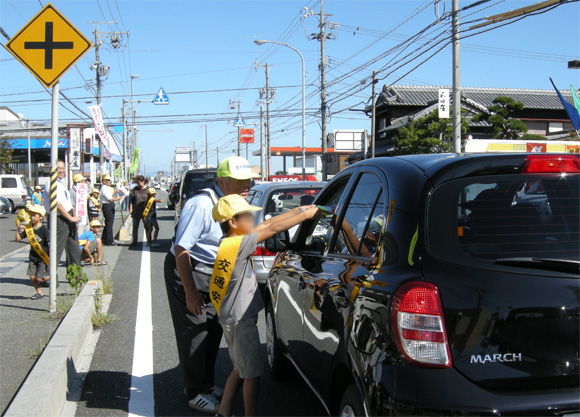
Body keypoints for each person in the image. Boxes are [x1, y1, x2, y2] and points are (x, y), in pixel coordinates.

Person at [164, 156, 258, 414]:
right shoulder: (201, 205)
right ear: (220, 181)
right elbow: (181, 248)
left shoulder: (239, 203)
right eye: (238, 182)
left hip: (215, 272)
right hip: (188, 270)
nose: (245, 186)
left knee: (215, 328)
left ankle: (205, 384)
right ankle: (195, 392)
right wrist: (190, 292)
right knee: (196, 331)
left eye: (247, 180)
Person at [211, 195, 319, 417]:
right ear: (232, 222)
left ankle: (224, 411)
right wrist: (306, 215)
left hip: (233, 318)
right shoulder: (237, 244)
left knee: (239, 369)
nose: (253, 219)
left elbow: (269, 224)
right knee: (251, 374)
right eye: (248, 216)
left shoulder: (231, 242)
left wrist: (299, 211)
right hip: (240, 320)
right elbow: (273, 229)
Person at [43, 160, 81, 269]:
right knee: (57, 249)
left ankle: (75, 275)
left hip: (68, 217)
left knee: (73, 247)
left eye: (63, 168)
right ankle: (48, 276)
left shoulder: (61, 183)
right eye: (59, 168)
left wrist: (73, 217)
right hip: (59, 218)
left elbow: (67, 203)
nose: (62, 171)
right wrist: (70, 218)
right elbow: (57, 204)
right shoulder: (51, 182)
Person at [15, 205, 50, 300]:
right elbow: (18, 239)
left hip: (42, 257)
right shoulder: (29, 228)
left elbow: (49, 244)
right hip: (32, 256)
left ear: (41, 217)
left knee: (39, 278)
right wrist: (18, 229)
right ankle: (39, 292)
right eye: (31, 215)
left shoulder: (44, 230)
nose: (32, 217)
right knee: (32, 277)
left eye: (34, 215)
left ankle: (52, 277)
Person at [100, 174, 120, 246]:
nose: (109, 182)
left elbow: (110, 197)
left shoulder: (106, 188)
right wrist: (117, 198)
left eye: (109, 180)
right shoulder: (104, 188)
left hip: (109, 205)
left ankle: (104, 238)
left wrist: (114, 193)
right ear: (104, 181)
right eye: (107, 180)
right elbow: (110, 199)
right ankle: (109, 241)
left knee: (108, 223)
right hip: (107, 205)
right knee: (109, 223)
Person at [129, 175, 149, 246]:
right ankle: (134, 241)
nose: (139, 184)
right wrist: (130, 209)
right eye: (138, 182)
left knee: (147, 227)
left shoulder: (148, 189)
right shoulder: (135, 189)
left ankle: (148, 240)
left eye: (141, 182)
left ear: (144, 181)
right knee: (135, 227)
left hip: (145, 211)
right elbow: (131, 200)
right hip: (136, 210)